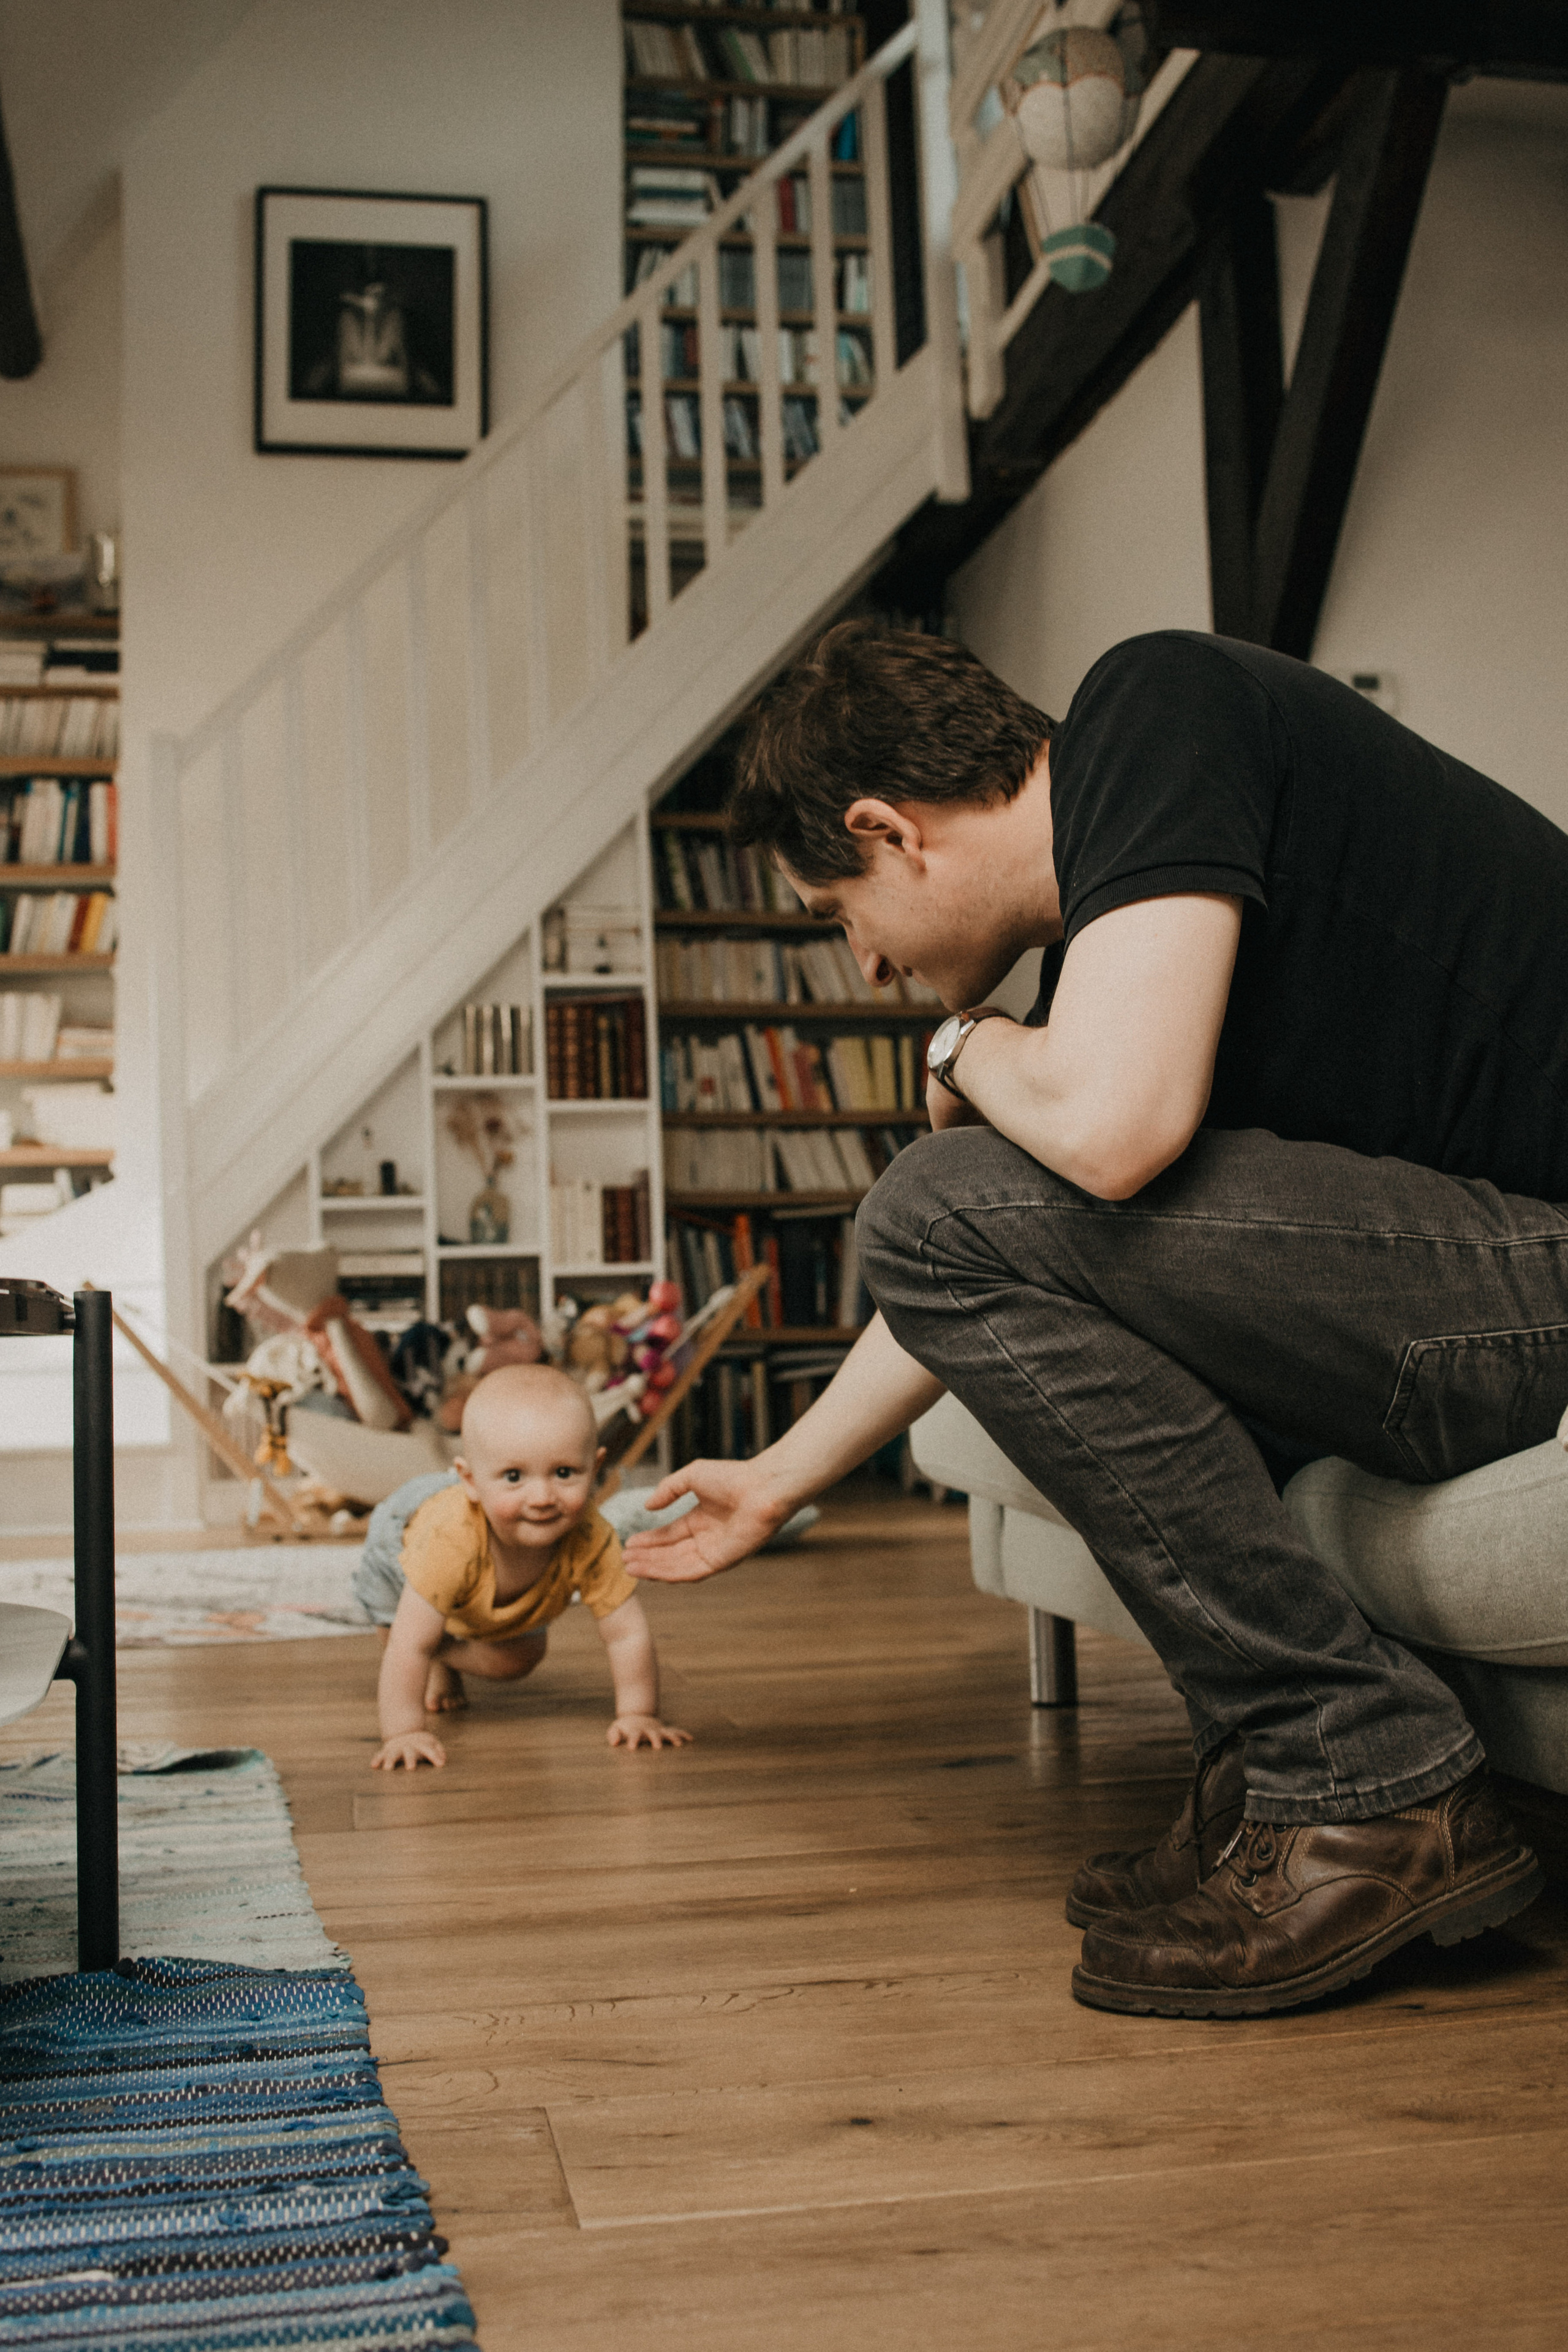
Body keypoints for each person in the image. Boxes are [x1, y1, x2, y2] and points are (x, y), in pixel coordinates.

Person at [627, 619, 1563, 2019]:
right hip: (1471, 1288)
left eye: (837, 915)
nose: (864, 968)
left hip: (1534, 1276)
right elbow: (1030, 1232)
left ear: (888, 831)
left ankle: (1362, 1778)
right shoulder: (1117, 945)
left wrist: (964, 1045)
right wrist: (775, 1475)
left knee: (933, 1196)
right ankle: (1273, 1767)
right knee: (957, 1200)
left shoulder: (1156, 704)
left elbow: (1097, 1141)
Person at [358, 1363, 691, 1770]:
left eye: (564, 1473)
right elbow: (409, 1647)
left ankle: (442, 1655)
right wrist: (405, 1732)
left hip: (494, 1594)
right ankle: (433, 1658)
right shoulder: (449, 1540)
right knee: (401, 1632)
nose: (542, 1497)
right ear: (471, 1479)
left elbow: (627, 1634)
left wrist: (639, 1713)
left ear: (596, 1468)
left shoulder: (589, 1537)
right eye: (514, 1476)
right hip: (403, 1540)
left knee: (519, 1657)